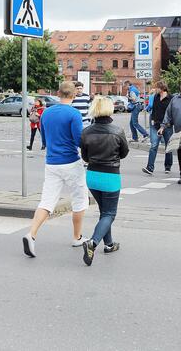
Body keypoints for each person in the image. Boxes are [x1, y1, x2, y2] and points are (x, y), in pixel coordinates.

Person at [22, 81, 89, 258]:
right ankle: (77, 237)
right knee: (80, 199)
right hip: (71, 162)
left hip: (51, 163)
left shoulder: (47, 113)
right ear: (74, 95)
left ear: (58, 93)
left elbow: (44, 137)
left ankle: (32, 234)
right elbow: (77, 140)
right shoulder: (74, 114)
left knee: (47, 201)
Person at [80, 96, 129, 266]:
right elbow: (124, 153)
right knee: (109, 213)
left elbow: (84, 156)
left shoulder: (86, 131)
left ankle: (109, 244)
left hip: (92, 176)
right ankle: (92, 243)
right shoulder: (117, 131)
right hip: (110, 176)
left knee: (104, 212)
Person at [142, 81, 173, 175]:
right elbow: (154, 110)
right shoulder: (156, 97)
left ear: (162, 88)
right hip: (155, 125)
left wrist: (167, 124)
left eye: (157, 88)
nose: (155, 89)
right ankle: (150, 168)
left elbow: (171, 113)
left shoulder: (170, 98)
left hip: (167, 126)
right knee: (154, 145)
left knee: (168, 146)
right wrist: (152, 120)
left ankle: (168, 166)